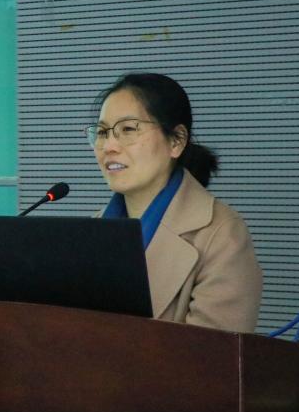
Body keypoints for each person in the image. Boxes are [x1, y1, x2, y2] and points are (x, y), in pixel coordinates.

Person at [86, 73, 262, 332]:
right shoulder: (92, 229)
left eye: (128, 129)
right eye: (102, 132)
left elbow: (215, 353)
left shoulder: (221, 235)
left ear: (176, 141)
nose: (109, 146)